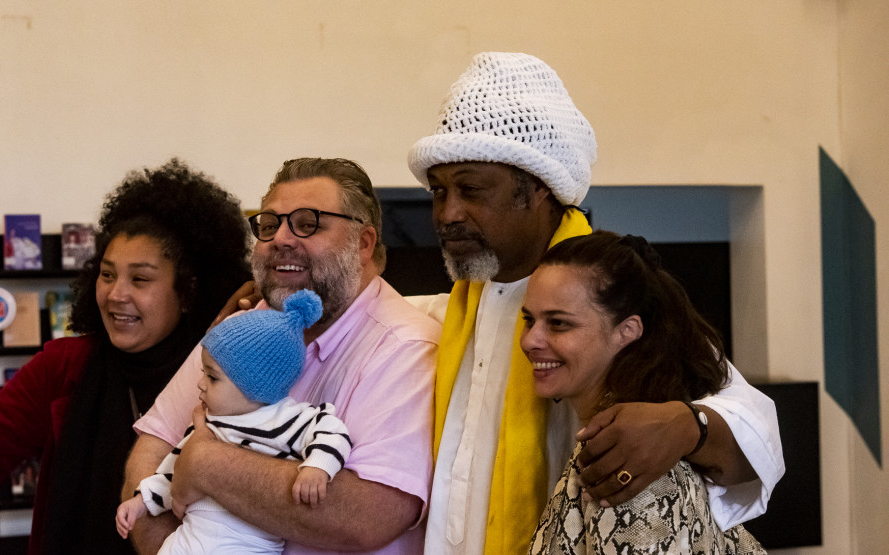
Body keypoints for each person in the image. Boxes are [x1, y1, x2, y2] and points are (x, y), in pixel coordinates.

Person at [406, 51, 784, 553]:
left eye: (471, 189)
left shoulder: (610, 290)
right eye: (438, 192)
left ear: (537, 189)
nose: (448, 213)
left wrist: (684, 426)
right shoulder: (449, 314)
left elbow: (754, 427)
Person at [123, 158, 440, 555]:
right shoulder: (246, 324)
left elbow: (368, 515)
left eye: (308, 223)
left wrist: (205, 464)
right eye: (270, 224)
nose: (281, 239)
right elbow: (154, 445)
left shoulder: (406, 347)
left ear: (363, 244)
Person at [0, 158, 251, 555]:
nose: (116, 294)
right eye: (107, 274)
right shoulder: (63, 367)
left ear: (188, 291)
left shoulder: (221, 377)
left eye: (140, 279)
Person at [522, 232, 765, 553]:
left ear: (627, 331)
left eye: (558, 324)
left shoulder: (633, 466)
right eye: (529, 320)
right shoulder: (623, 442)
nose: (530, 341)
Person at [117, 290, 353, 554]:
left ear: (256, 386)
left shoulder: (291, 420)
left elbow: (334, 433)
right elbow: (171, 471)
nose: (200, 383)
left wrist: (318, 467)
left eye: (213, 377)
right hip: (189, 538)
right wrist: (141, 502)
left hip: (247, 544)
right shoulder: (209, 423)